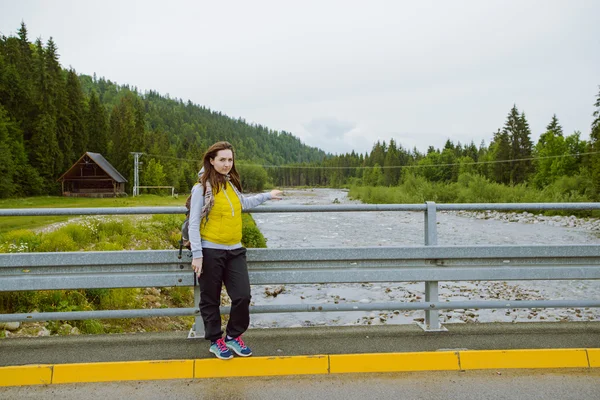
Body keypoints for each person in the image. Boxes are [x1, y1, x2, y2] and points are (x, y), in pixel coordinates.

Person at [188, 141, 282, 360]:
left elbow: (244, 205)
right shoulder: (201, 187)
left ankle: (232, 336)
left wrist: (267, 195)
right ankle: (215, 341)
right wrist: (198, 255)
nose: (226, 164)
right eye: (222, 160)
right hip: (210, 250)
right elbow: (194, 223)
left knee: (242, 296)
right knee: (210, 299)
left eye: (230, 160)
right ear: (211, 160)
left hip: (235, 250)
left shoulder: (230, 185)